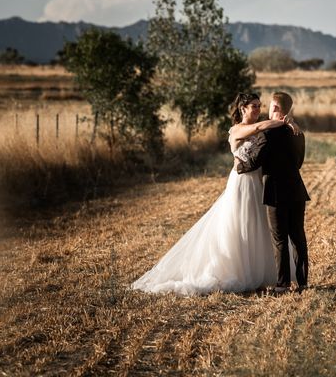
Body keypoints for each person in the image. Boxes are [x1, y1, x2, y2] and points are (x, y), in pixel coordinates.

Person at [131, 93, 297, 295]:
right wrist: (280, 121)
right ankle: (238, 271)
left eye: (259, 105)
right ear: (243, 108)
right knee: (239, 225)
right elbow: (258, 128)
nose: (257, 109)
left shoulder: (266, 126)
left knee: (259, 226)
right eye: (253, 106)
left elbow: (268, 133)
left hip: (258, 183)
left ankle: (260, 273)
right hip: (242, 183)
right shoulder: (238, 129)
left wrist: (288, 121)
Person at [236, 92, 310, 293]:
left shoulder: (267, 134)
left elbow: (254, 162)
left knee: (279, 239)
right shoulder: (298, 133)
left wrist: (239, 166)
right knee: (298, 237)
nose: (266, 110)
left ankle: (283, 284)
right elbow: (299, 162)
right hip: (296, 191)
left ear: (276, 109)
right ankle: (303, 283)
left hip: (275, 192)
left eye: (269, 106)